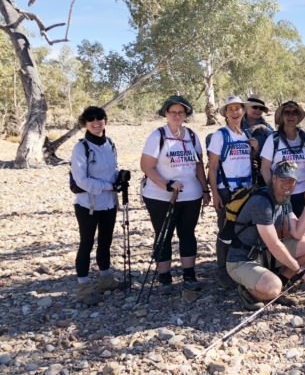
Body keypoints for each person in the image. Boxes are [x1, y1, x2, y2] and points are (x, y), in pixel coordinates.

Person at [140, 96, 209, 293]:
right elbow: (147, 166)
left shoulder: (192, 136)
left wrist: (204, 190)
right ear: (166, 114)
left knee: (188, 234)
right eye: (173, 112)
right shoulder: (157, 136)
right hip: (161, 196)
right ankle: (164, 278)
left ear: (186, 114)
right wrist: (167, 185)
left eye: (181, 112)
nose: (177, 116)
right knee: (164, 235)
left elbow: (198, 165)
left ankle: (189, 276)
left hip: (191, 195)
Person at [226, 160, 305, 310]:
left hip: (263, 255)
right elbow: (274, 244)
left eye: (291, 180)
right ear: (274, 178)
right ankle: (248, 290)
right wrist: (299, 269)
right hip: (241, 260)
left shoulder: (285, 199)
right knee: (272, 288)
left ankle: (281, 284)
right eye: (283, 179)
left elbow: (297, 233)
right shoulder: (262, 202)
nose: (287, 184)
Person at [71, 106, 129, 305]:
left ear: (105, 120)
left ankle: (106, 280)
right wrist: (109, 186)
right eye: (91, 119)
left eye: (100, 118)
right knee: (86, 243)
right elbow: (81, 180)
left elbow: (111, 169)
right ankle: (84, 288)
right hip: (87, 204)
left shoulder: (110, 143)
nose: (96, 122)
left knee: (105, 242)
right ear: (85, 123)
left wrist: (120, 178)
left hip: (109, 203)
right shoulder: (81, 147)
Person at [208, 95, 259, 287]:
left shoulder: (245, 135)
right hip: (226, 191)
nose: (235, 112)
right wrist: (214, 193)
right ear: (226, 114)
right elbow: (212, 166)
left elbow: (247, 163)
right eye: (231, 109)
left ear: (243, 111)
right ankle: (223, 271)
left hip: (246, 190)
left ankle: (239, 268)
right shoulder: (220, 135)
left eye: (238, 108)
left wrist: (255, 149)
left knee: (243, 230)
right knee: (225, 231)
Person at [260, 100, 305, 216]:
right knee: (283, 230)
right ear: (282, 117)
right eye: (287, 112)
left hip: (304, 192)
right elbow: (265, 167)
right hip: (281, 193)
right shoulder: (273, 140)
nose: (291, 116)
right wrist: (273, 190)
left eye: (294, 112)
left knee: (300, 229)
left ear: (298, 117)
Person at [242, 95, 274, 185]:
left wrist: (262, 127)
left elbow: (277, 139)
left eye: (261, 108)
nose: (258, 111)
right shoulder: (238, 125)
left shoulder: (266, 126)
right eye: (255, 107)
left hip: (263, 172)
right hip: (241, 171)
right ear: (246, 108)